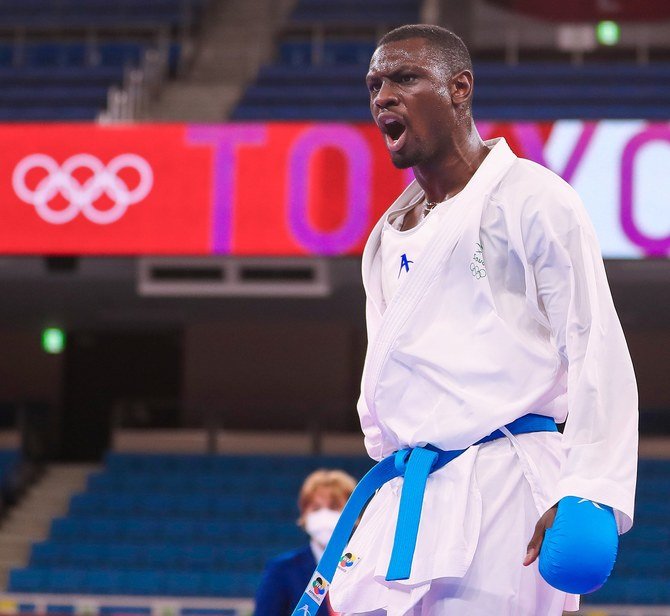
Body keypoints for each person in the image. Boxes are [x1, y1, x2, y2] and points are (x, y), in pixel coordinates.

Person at [316, 24, 638, 616]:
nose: (383, 96)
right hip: (411, 488)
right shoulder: (387, 235)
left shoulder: (532, 199)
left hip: (507, 483)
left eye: (406, 78)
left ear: (460, 88)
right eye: (375, 85)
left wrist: (587, 490)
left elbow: (594, 345)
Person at [255, 469, 356, 615]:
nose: (324, 515)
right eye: (316, 508)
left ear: (354, 513)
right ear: (304, 514)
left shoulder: (369, 565)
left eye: (334, 507)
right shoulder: (282, 569)